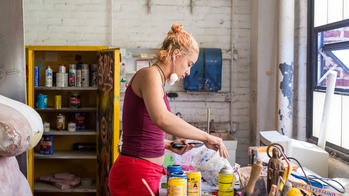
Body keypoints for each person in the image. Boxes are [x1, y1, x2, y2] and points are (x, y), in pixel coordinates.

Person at [108, 24, 228, 196]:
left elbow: (142, 131)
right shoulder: (149, 75)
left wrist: (167, 145)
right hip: (135, 173)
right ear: (176, 54)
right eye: (188, 64)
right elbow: (162, 119)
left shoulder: (157, 80)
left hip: (144, 171)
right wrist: (206, 136)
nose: (188, 72)